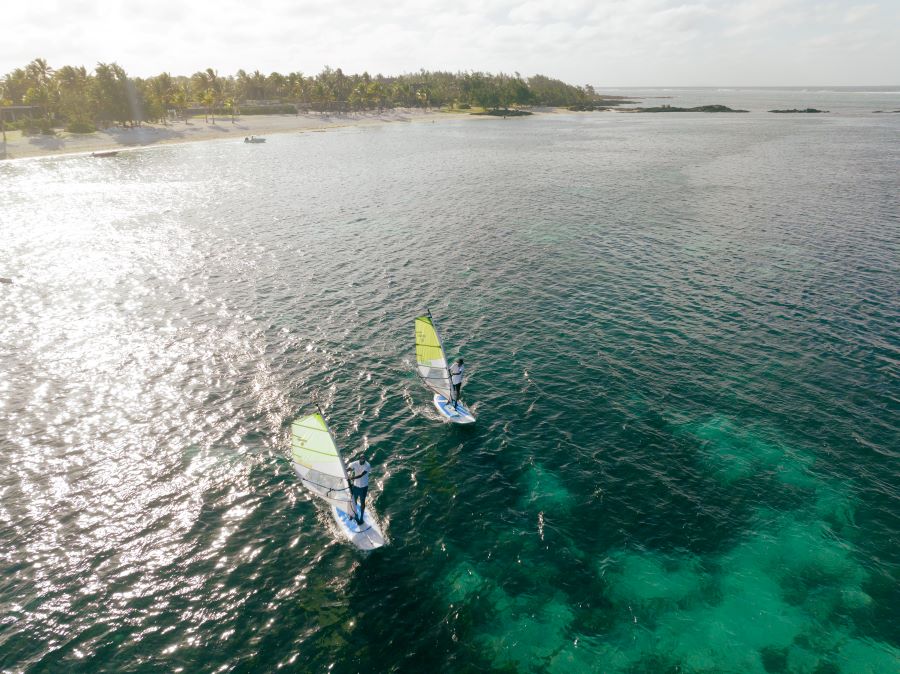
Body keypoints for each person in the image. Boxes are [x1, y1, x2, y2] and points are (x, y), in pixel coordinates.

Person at [346, 454, 371, 524]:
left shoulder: (367, 465)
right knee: (354, 500)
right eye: (361, 458)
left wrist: (351, 478)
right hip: (356, 486)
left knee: (362, 502)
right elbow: (349, 469)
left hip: (364, 487)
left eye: (364, 459)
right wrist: (346, 471)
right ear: (359, 458)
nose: (363, 460)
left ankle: (361, 518)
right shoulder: (355, 463)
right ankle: (353, 514)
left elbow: (361, 475)